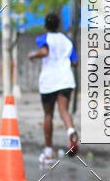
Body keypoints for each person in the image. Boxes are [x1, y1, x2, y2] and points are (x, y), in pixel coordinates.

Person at [28, 12, 79, 163]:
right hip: (65, 79)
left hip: (49, 81)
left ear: (46, 25)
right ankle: (71, 130)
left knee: (48, 115)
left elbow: (44, 52)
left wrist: (32, 55)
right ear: (58, 25)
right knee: (64, 111)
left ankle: (48, 151)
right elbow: (75, 62)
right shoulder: (67, 40)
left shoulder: (43, 38)